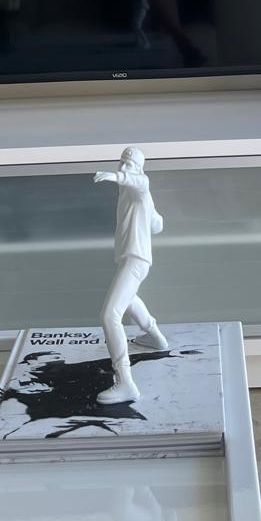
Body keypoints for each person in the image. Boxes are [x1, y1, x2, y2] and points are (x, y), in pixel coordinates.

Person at [92, 146, 168, 404]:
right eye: (121, 163)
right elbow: (158, 225)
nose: (124, 168)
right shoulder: (134, 195)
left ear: (139, 169)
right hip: (133, 259)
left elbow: (141, 183)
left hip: (135, 260)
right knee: (130, 299)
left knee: (109, 315)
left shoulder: (138, 186)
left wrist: (116, 176)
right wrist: (148, 215)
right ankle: (155, 337)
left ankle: (125, 382)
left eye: (130, 165)